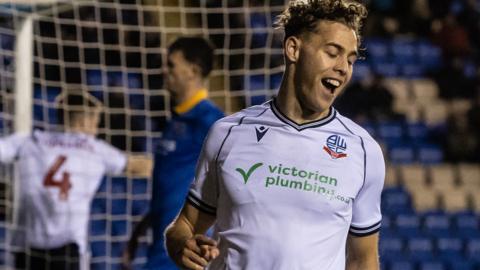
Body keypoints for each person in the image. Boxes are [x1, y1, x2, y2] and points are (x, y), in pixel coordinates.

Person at [166, 1, 385, 269]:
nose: (343, 68)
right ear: (293, 49)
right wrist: (183, 246)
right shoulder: (227, 134)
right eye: (332, 53)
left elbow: (363, 259)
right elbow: (185, 226)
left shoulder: (363, 151)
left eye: (350, 60)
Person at [2, 91, 153, 270]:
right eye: (96, 123)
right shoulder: (94, 149)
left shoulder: (30, 141)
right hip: (68, 249)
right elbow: (139, 167)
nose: (96, 130)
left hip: (28, 247)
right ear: (84, 122)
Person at [122, 37, 224, 270]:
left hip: (183, 250)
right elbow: (170, 186)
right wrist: (140, 230)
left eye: (171, 65)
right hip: (161, 244)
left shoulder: (211, 122)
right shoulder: (175, 121)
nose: (164, 70)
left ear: (193, 71)